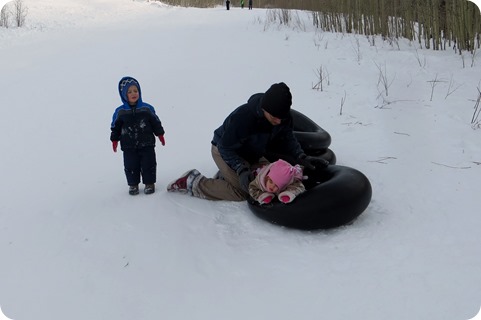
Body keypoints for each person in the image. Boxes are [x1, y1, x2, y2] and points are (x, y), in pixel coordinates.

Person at [167, 82, 328, 201]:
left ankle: (226, 175)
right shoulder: (243, 118)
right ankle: (193, 182)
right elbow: (225, 147)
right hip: (224, 150)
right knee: (245, 192)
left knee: (269, 177)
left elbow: (288, 138)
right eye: (274, 118)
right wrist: (241, 169)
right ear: (265, 110)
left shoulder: (283, 118)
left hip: (253, 154)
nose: (279, 121)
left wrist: (302, 157)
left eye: (281, 118)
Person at [110, 76, 166, 195]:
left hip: (147, 143)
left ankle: (149, 183)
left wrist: (160, 134)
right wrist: (114, 139)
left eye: (135, 91)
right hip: (128, 146)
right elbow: (115, 127)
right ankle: (133, 185)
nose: (133, 94)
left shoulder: (146, 108)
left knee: (149, 163)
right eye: (129, 92)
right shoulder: (120, 112)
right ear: (124, 95)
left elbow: (155, 122)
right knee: (131, 165)